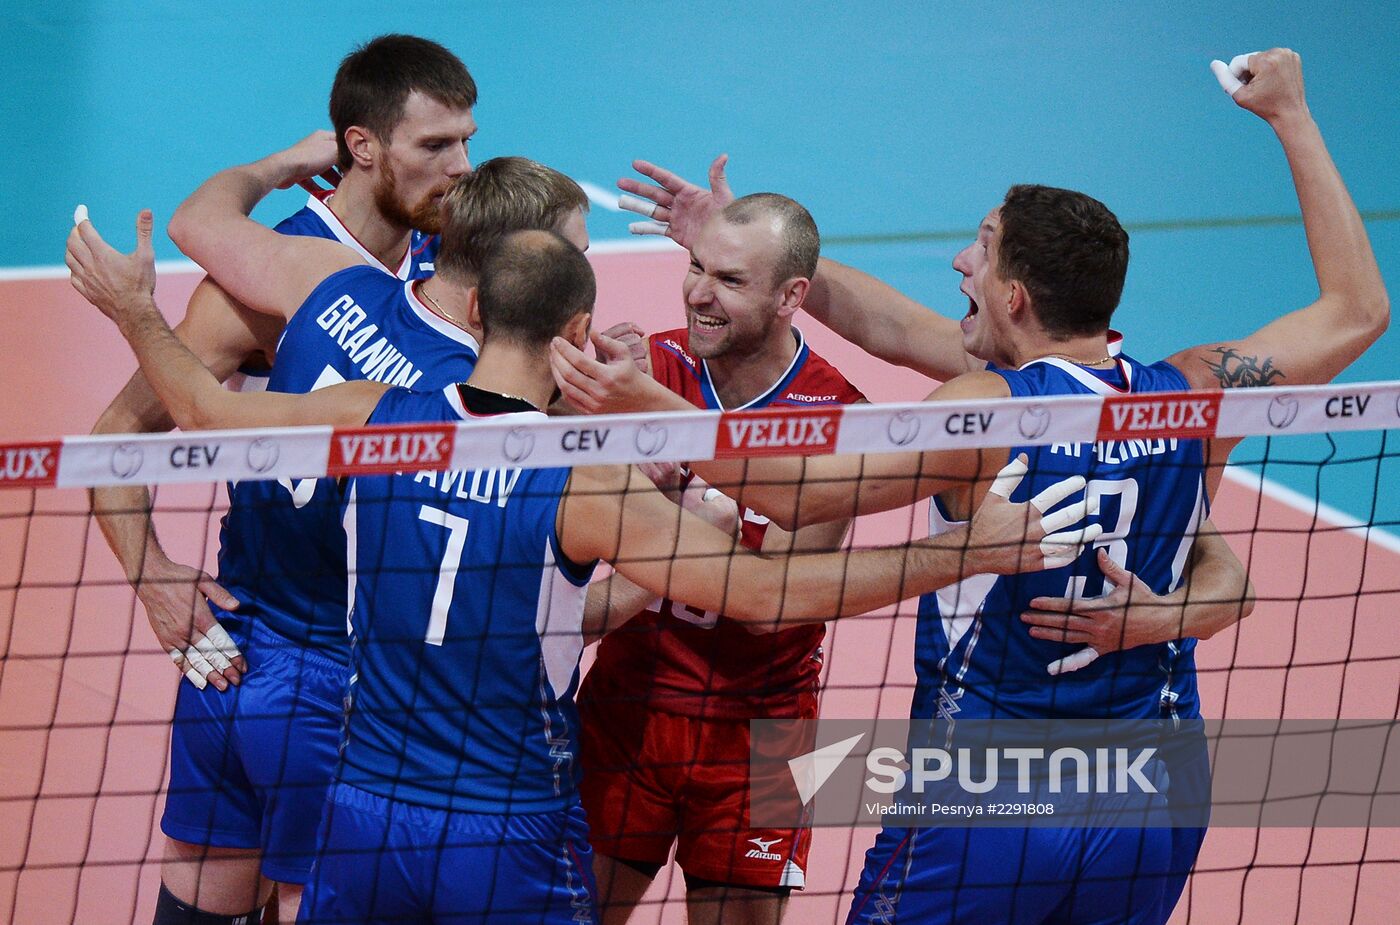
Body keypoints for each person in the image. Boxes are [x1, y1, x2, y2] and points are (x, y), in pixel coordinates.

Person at [552, 49, 1387, 923]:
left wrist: (650, 410)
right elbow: (1358, 308)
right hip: (1154, 791)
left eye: (981, 251)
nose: (960, 261)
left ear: (1016, 297)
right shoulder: (1198, 391)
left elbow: (800, 494)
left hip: (988, 796)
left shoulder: (984, 415)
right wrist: (1291, 115)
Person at [68, 218, 1102, 923]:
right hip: (504, 823)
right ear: (573, 333)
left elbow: (203, 414)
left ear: (470, 316)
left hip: (363, 807)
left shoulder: (372, 420)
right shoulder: (584, 483)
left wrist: (132, 307)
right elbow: (764, 592)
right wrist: (951, 552)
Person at [84, 34, 480, 924]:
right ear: (363, 146)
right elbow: (114, 436)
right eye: (435, 147)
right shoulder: (259, 279)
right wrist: (152, 576)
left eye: (466, 141)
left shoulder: (454, 274)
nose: (461, 167)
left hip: (389, 670)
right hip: (284, 656)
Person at [578, 194, 864, 924]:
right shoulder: (642, 374)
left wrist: (677, 518)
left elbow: (784, 604)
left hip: (763, 736)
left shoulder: (837, 417)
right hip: (625, 709)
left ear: (790, 297)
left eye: (731, 280)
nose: (700, 293)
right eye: (697, 267)